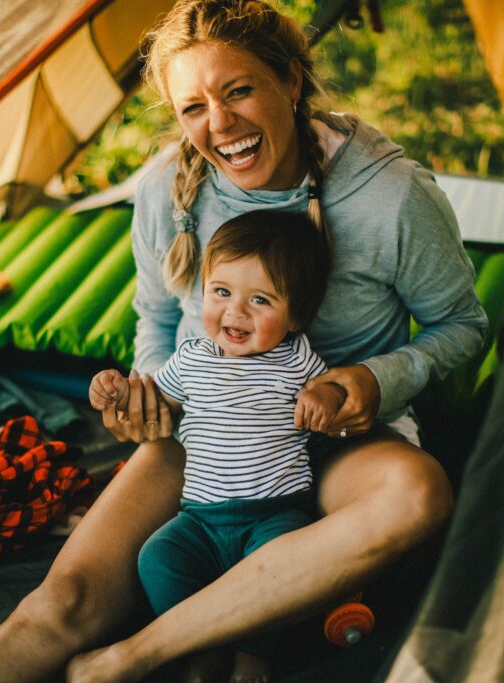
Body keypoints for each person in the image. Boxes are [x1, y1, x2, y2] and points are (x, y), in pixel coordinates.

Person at [0, 1, 486, 681]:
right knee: (63, 601)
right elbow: (157, 318)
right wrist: (150, 393)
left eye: (238, 91)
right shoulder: (168, 189)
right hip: (212, 435)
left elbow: (463, 326)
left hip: (341, 442)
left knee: (417, 495)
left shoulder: (389, 197)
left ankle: (135, 656)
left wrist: (376, 379)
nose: (219, 125)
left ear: (289, 80)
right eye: (192, 106)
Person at [88, 211, 343, 681]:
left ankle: (254, 651)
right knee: (158, 557)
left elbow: (331, 389)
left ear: (295, 317)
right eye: (221, 292)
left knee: (282, 570)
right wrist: (116, 392)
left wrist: (327, 397)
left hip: (275, 512)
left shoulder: (295, 357)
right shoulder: (191, 358)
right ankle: (199, 647)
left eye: (260, 300)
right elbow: (155, 398)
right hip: (201, 518)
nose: (235, 312)